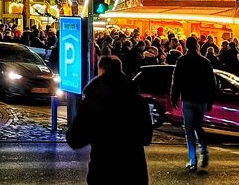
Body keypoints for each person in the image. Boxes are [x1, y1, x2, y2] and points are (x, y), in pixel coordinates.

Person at [65, 54, 152, 184]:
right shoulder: (137, 100)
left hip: (103, 171)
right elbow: (146, 137)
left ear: (101, 71)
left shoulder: (95, 101)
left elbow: (75, 139)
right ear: (120, 70)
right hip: (133, 172)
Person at [171, 35, 216, 172]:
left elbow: (176, 80)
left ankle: (193, 160)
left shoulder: (182, 60)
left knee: (189, 130)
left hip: (188, 98)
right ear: (197, 46)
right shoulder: (205, 61)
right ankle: (203, 151)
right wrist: (210, 100)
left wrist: (174, 97)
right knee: (198, 126)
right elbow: (211, 82)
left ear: (186, 46)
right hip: (201, 99)